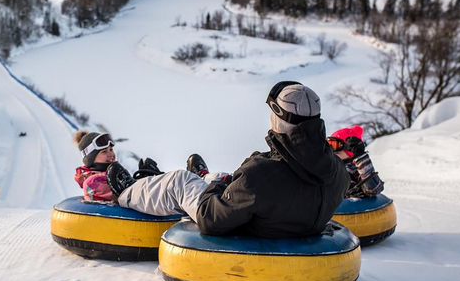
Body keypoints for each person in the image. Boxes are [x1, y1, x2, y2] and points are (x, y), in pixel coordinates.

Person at [106, 81, 350, 238]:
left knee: (178, 181)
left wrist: (218, 187)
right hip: (281, 218)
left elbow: (210, 219)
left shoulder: (260, 174)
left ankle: (127, 192)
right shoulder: (338, 171)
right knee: (223, 178)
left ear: (277, 118)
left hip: (246, 227)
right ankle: (205, 178)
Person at [74, 131, 223, 203]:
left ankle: (202, 181)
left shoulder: (110, 173)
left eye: (111, 150)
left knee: (215, 178)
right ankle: (198, 185)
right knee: (176, 182)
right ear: (91, 158)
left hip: (140, 199)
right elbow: (121, 197)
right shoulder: (92, 182)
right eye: (104, 152)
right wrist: (138, 183)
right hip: (135, 206)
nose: (110, 154)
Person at [327, 125, 384, 198]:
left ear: (349, 147)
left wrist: (360, 157)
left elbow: (374, 189)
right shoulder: (331, 167)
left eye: (334, 145)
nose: (332, 150)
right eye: (329, 145)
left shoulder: (356, 171)